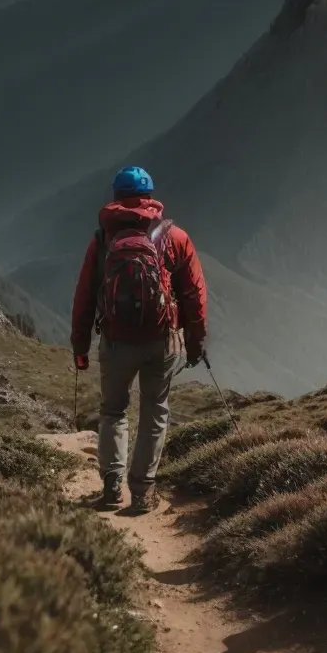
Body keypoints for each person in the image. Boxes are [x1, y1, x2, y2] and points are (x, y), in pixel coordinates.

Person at [70, 165, 208, 514]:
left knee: (114, 411)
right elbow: (193, 296)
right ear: (151, 197)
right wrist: (195, 344)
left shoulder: (102, 240)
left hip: (115, 341)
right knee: (154, 410)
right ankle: (143, 491)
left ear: (115, 197)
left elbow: (84, 296)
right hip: (162, 340)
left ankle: (112, 485)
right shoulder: (175, 237)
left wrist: (80, 348)